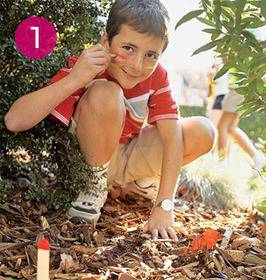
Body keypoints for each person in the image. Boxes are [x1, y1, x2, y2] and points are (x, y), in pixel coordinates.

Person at [3, 0, 215, 242]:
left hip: (129, 155)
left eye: (150, 55)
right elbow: (14, 121)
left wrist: (164, 205)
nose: (137, 65)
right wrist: (76, 79)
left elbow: (172, 134)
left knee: (203, 130)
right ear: (106, 42)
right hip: (92, 159)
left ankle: (138, 182)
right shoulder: (86, 67)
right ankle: (95, 186)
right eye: (128, 48)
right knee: (106, 92)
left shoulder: (157, 76)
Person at [207, 56, 266, 173]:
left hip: (238, 88)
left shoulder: (237, 48)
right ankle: (255, 157)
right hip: (239, 88)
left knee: (222, 126)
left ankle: (223, 162)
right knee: (229, 128)